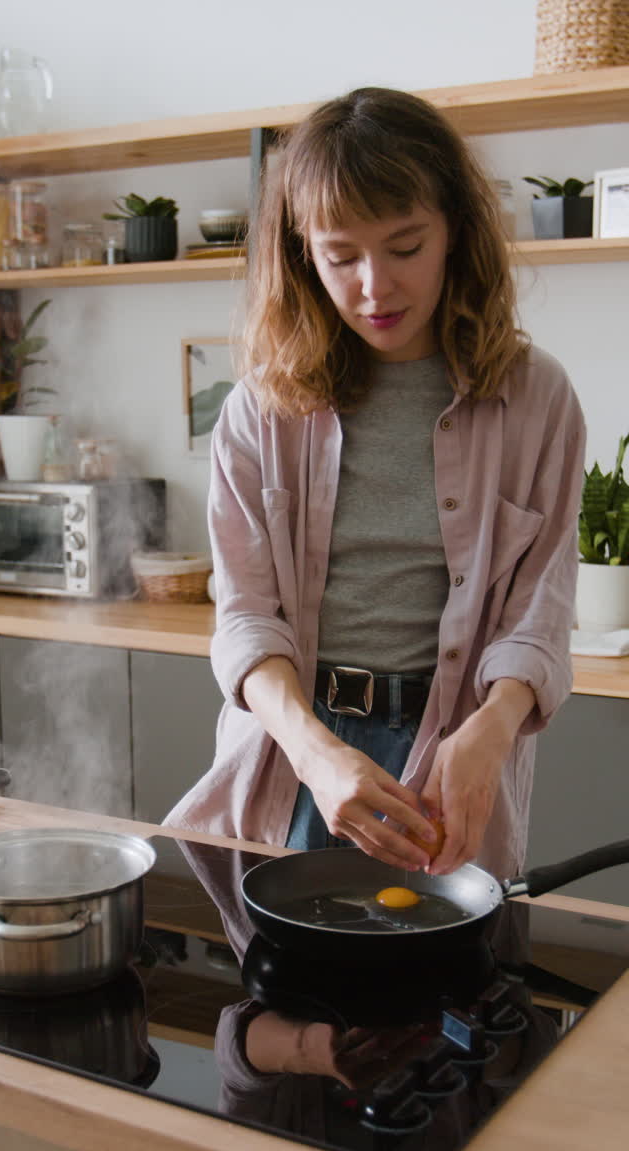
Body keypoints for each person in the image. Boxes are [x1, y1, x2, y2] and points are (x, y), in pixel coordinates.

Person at [165, 85, 586, 944]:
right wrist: (317, 755)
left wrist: (489, 730)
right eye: (339, 256)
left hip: (453, 749)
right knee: (287, 1019)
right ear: (301, 256)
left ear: (456, 231)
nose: (374, 286)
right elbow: (245, 616)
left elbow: (540, 608)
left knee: (442, 1030)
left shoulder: (536, 398)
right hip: (295, 749)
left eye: (405, 246)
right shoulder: (260, 410)